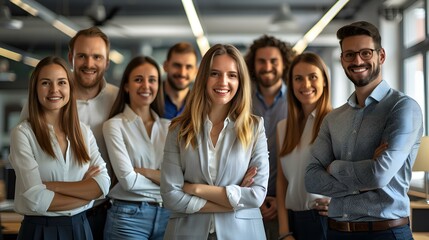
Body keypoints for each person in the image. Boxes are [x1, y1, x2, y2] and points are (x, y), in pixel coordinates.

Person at [305, 21, 423, 240]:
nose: (357, 61)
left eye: (365, 53)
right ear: (342, 60)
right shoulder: (333, 118)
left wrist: (333, 167)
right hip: (336, 232)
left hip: (385, 232)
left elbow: (379, 175)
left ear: (381, 56)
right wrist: (363, 180)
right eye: (349, 55)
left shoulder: (403, 108)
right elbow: (310, 179)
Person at [160, 44, 269, 240]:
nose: (223, 82)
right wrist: (232, 199)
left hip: (242, 233)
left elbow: (256, 195)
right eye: (215, 74)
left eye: (232, 75)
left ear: (240, 81)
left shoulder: (254, 127)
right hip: (187, 233)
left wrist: (195, 189)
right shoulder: (178, 129)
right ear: (203, 78)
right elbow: (170, 196)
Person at [18, 26, 119, 239]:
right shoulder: (32, 119)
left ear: (107, 62)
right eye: (82, 56)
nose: (89, 63)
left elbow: (103, 182)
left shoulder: (116, 100)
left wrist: (50, 186)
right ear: (71, 57)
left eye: (97, 57)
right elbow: (33, 193)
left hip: (104, 211)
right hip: (47, 218)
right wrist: (86, 193)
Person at [102, 56, 170, 239]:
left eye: (152, 80)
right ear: (126, 86)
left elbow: (182, 178)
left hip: (168, 216)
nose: (146, 86)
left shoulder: (170, 127)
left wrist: (144, 172)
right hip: (127, 218)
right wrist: (172, 185)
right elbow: (128, 181)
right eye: (138, 79)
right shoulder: (114, 126)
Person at [244, 34, 296, 239]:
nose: (267, 67)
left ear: (284, 64)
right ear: (253, 64)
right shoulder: (242, 101)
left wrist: (279, 200)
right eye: (261, 61)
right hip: (244, 200)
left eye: (273, 61)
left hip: (288, 204)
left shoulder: (296, 101)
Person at [276, 52, 332, 240]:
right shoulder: (283, 128)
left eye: (313, 77)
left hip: (325, 221)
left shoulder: (337, 122)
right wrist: (284, 232)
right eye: (298, 78)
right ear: (291, 84)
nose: (306, 85)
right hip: (293, 221)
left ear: (324, 80)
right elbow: (282, 182)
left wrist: (341, 204)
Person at [162, 42, 198, 119]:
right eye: (177, 65)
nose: (182, 73)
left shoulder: (199, 105)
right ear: (165, 66)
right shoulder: (150, 100)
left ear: (196, 71)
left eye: (188, 67)